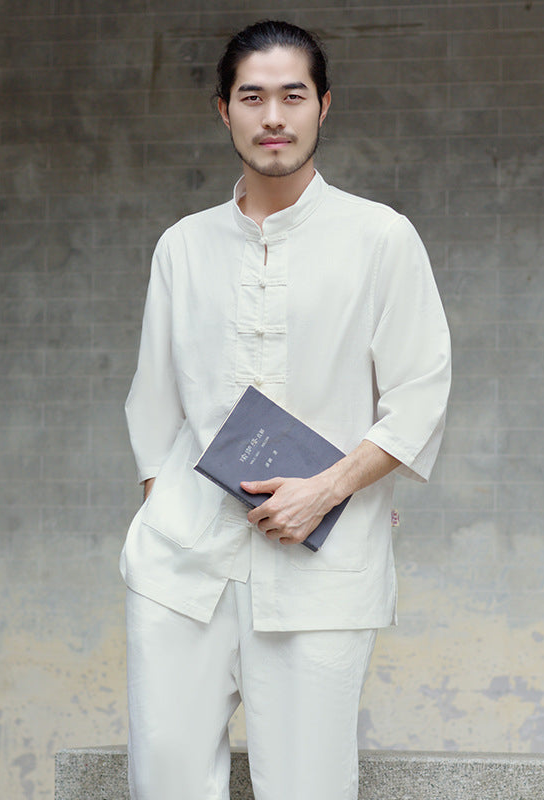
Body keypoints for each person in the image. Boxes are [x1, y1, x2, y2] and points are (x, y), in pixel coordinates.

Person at [121, 19, 451, 800]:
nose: (273, 117)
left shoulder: (380, 238)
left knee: (309, 787)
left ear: (323, 106)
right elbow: (154, 411)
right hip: (181, 569)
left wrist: (326, 490)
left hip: (321, 570)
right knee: (164, 781)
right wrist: (165, 516)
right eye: (252, 97)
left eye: (292, 96)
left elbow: (420, 396)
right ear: (224, 110)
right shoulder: (182, 247)